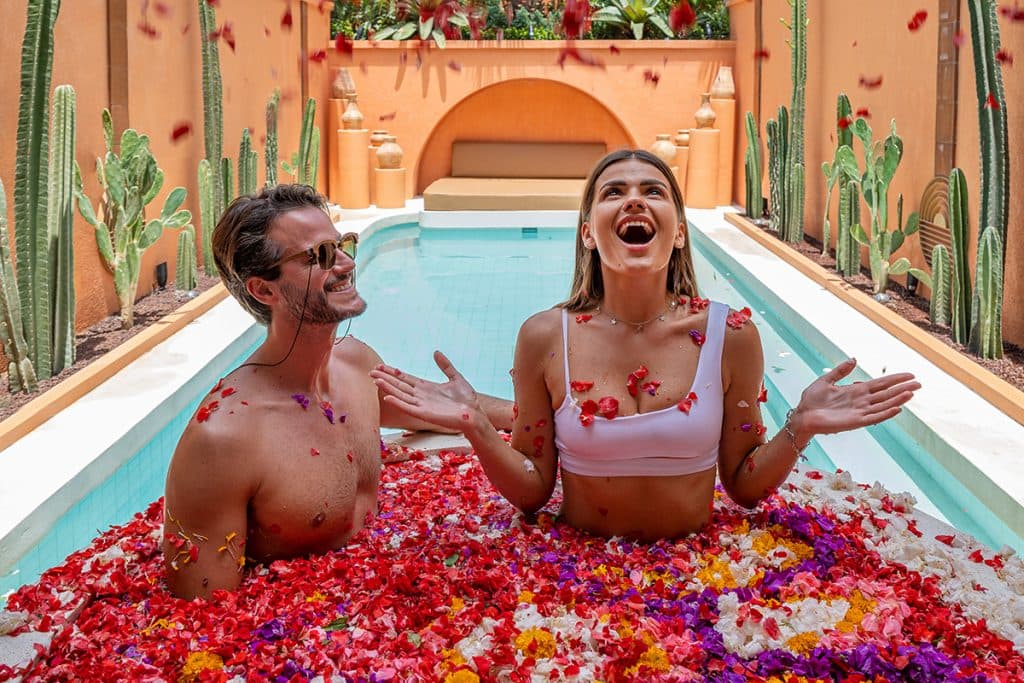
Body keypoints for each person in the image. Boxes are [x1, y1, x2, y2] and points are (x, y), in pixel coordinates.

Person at [371, 149, 921, 541]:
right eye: (614, 193)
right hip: (577, 578)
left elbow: (744, 485)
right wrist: (474, 425)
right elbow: (535, 490)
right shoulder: (544, 337)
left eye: (652, 191)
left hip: (698, 579)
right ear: (588, 232)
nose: (634, 202)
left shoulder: (730, 336)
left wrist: (799, 426)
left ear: (679, 230)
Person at [163, 184, 511, 599]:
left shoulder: (356, 365)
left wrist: (540, 414)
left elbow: (435, 404)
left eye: (343, 245)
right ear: (264, 290)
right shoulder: (225, 438)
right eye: (321, 256)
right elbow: (201, 617)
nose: (346, 264)